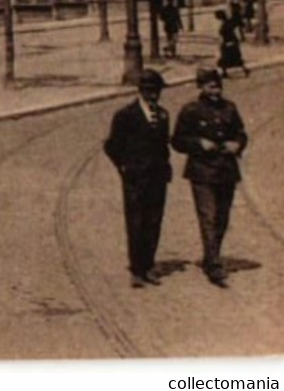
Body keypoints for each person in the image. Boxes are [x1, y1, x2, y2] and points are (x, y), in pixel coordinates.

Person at [171, 67, 249, 287]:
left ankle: (210, 255)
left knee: (222, 218)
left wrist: (238, 144)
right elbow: (177, 141)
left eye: (218, 87)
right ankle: (214, 265)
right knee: (209, 217)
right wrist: (198, 143)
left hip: (226, 171)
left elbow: (240, 133)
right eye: (211, 87)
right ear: (201, 87)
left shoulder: (230, 108)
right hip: (202, 171)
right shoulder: (191, 111)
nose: (216, 91)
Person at [102, 70, 172, 288]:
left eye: (157, 92)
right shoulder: (126, 115)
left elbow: (163, 146)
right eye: (150, 91)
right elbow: (111, 145)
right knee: (136, 221)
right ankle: (136, 269)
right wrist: (124, 167)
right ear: (141, 91)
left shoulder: (163, 115)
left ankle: (149, 265)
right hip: (135, 177)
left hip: (158, 175)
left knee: (154, 220)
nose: (154, 96)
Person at [215, 9, 249, 79]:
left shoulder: (224, 25)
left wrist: (220, 44)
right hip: (234, 42)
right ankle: (244, 69)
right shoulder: (229, 22)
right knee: (236, 59)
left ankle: (224, 72)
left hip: (227, 43)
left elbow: (223, 36)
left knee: (224, 59)